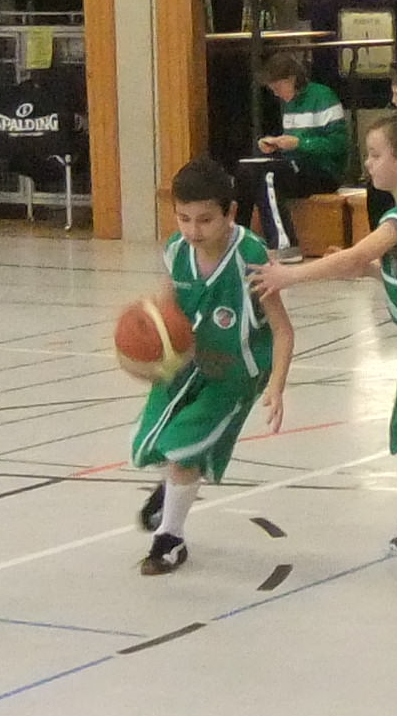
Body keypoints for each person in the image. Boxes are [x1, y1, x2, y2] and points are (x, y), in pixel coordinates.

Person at [252, 110, 397, 557]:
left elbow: (358, 254)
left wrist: (290, 275)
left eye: (376, 155)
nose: (368, 164)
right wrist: (373, 271)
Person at [124, 158, 294, 579]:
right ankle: (172, 487)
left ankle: (170, 539)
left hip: (235, 372)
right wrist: (149, 351)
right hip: (188, 363)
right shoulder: (176, 250)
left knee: (185, 448)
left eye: (204, 220)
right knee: (150, 443)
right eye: (183, 218)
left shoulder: (251, 257)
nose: (193, 230)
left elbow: (283, 330)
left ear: (230, 212)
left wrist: (276, 385)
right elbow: (166, 310)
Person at [250, 54, 352, 249]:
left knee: (269, 176)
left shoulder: (323, 97)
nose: (276, 94)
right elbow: (293, 145)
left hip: (325, 170)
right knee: (250, 174)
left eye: (277, 87)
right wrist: (276, 145)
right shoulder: (288, 104)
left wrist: (300, 143)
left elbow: (338, 145)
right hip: (297, 166)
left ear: (291, 79)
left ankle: (284, 245)